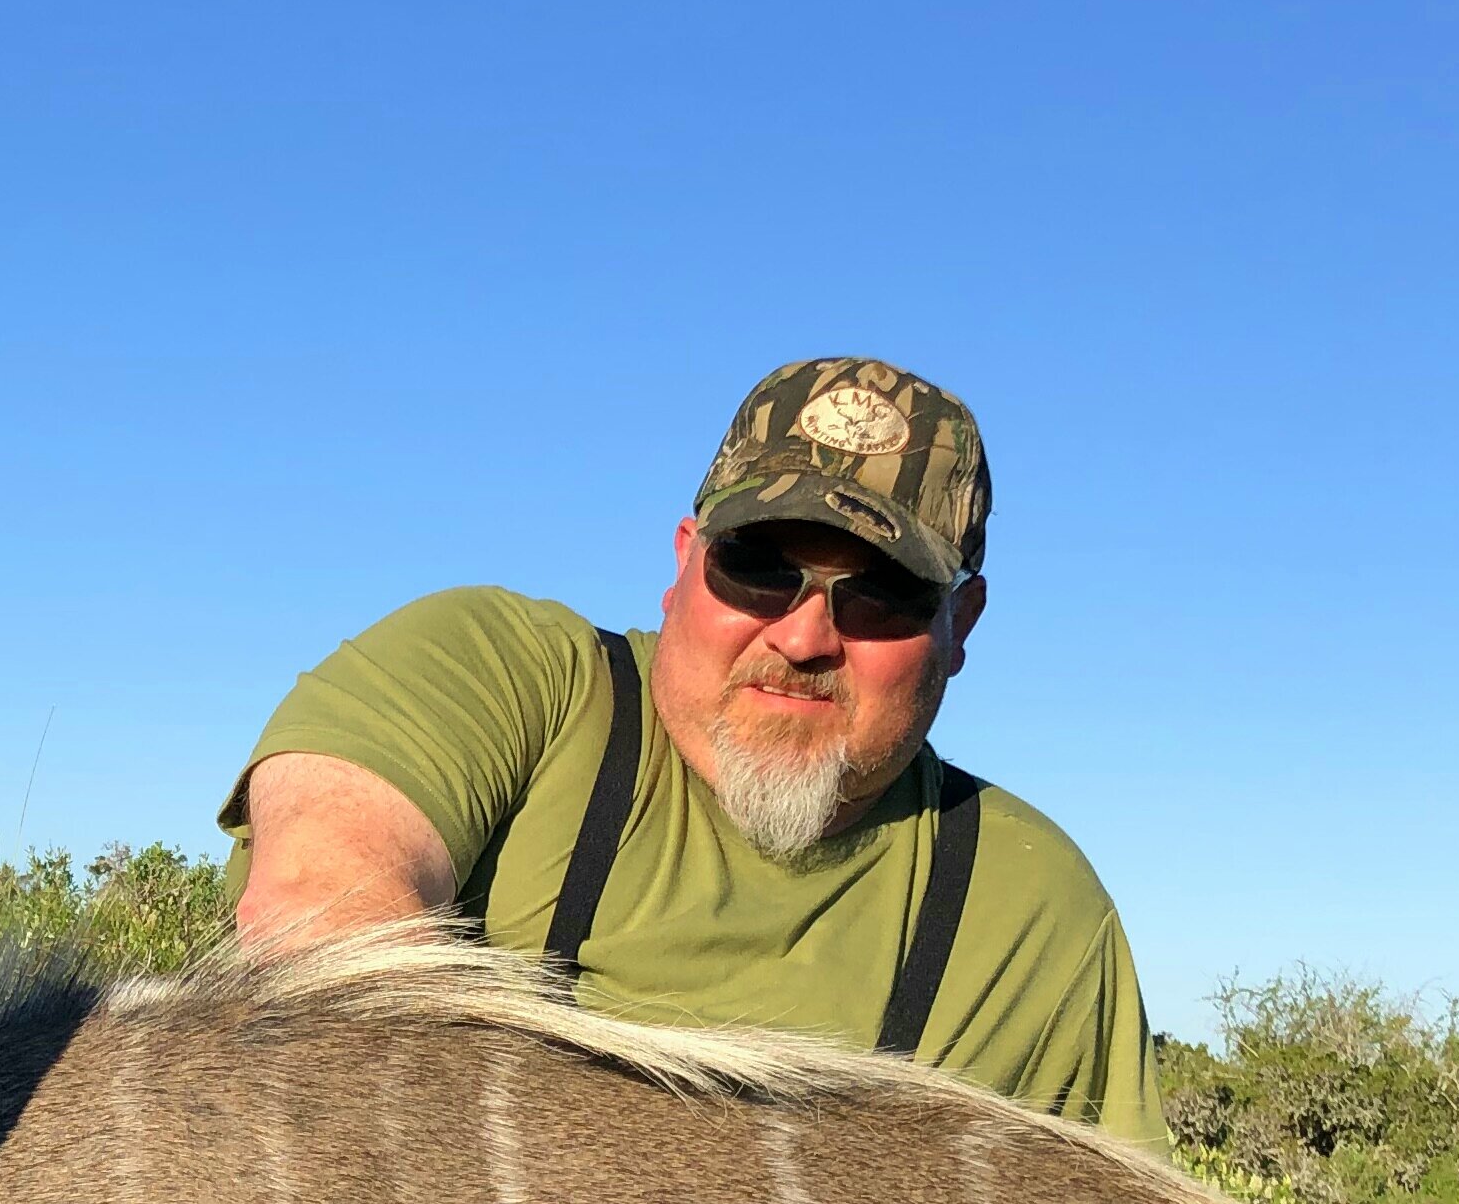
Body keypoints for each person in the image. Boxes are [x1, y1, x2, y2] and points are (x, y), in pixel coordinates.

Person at [223, 356, 1161, 1141]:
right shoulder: (504, 673)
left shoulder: (1035, 913)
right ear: (683, 561)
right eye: (757, 568)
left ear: (961, 622)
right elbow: (318, 917)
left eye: (881, 594)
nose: (803, 639)